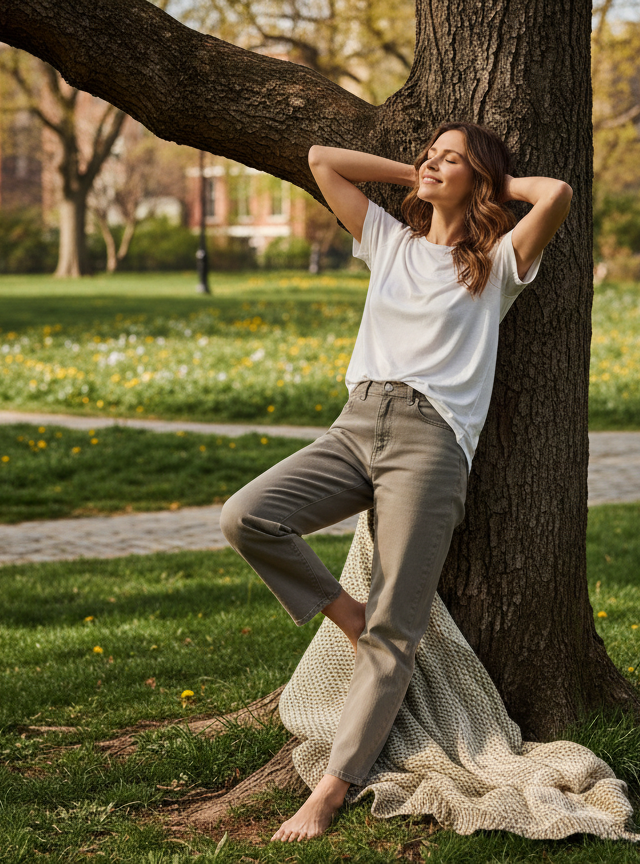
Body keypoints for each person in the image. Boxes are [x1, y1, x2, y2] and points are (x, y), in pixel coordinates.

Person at [219, 122, 573, 842]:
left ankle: (330, 789)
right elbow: (321, 157)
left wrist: (489, 180)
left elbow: (558, 194)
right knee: (247, 515)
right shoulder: (389, 242)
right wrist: (418, 170)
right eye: (430, 155)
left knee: (395, 631)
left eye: (453, 160)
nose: (435, 165)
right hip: (355, 424)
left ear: (478, 179)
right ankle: (346, 618)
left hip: (432, 445)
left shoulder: (498, 263)